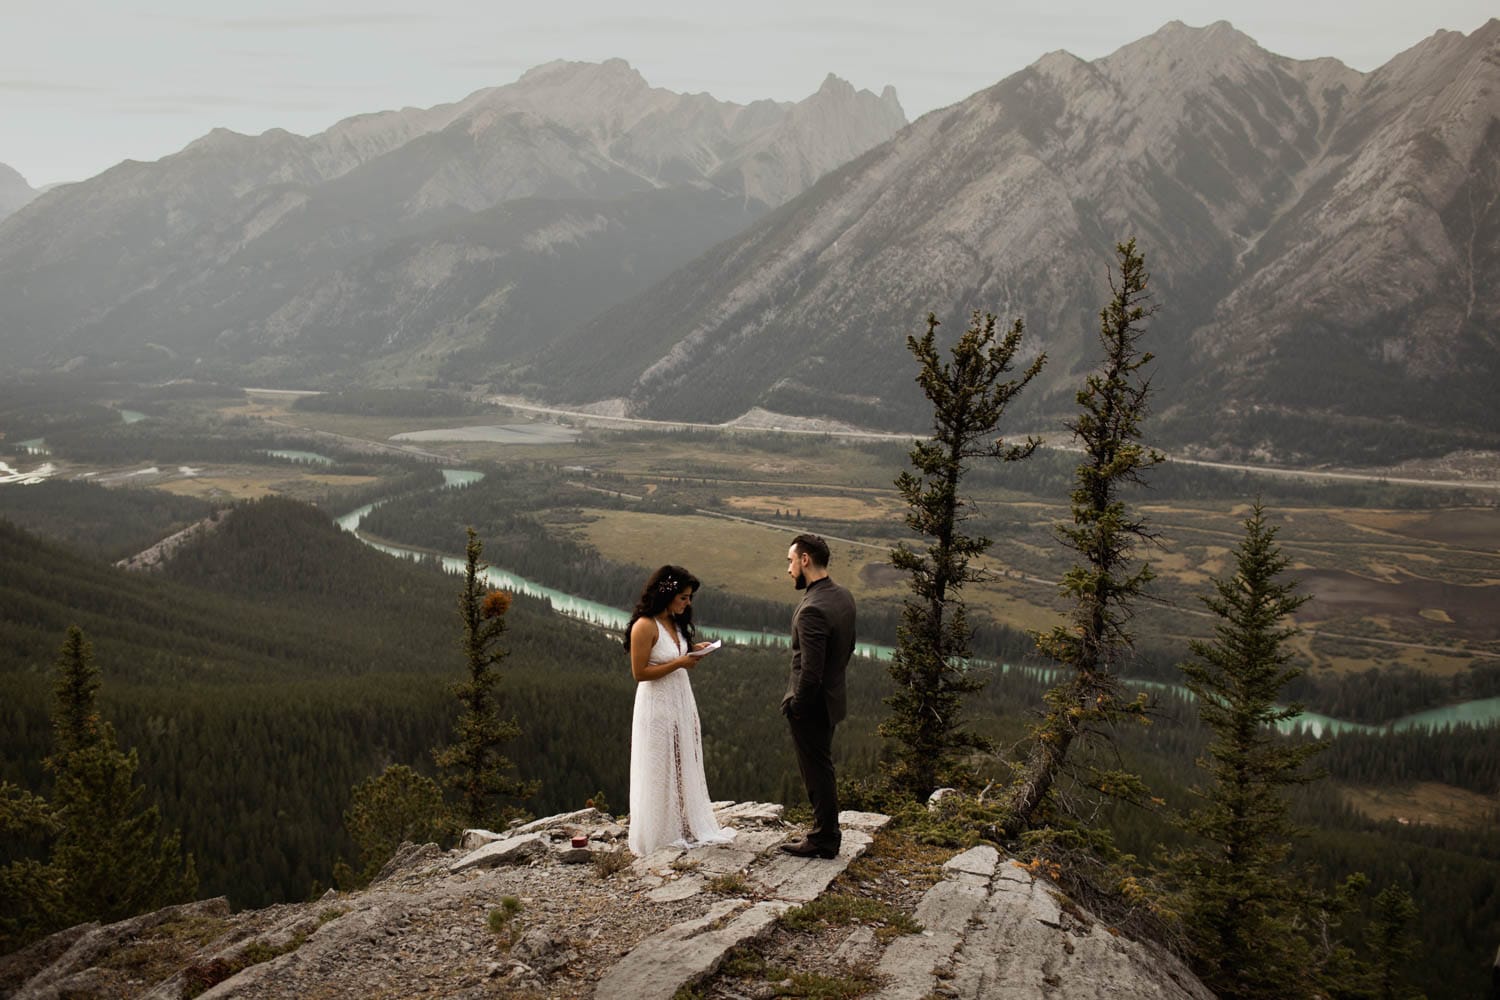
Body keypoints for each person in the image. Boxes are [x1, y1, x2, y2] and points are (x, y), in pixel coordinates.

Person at [625, 564, 734, 856]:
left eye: (689, 598)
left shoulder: (674, 623)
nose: (688, 603)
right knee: (658, 765)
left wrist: (694, 649)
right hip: (656, 703)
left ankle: (682, 824)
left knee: (680, 760)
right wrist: (681, 663)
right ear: (668, 594)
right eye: (684, 597)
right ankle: (658, 833)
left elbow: (673, 654)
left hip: (679, 700)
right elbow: (640, 672)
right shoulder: (644, 626)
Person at [779, 533, 856, 859]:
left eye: (790, 561)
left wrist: (797, 706)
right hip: (833, 698)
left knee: (816, 770)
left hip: (811, 705)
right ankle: (827, 833)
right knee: (823, 767)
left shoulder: (812, 609)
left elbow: (810, 671)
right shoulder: (842, 596)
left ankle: (824, 838)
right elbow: (847, 648)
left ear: (805, 560)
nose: (789, 570)